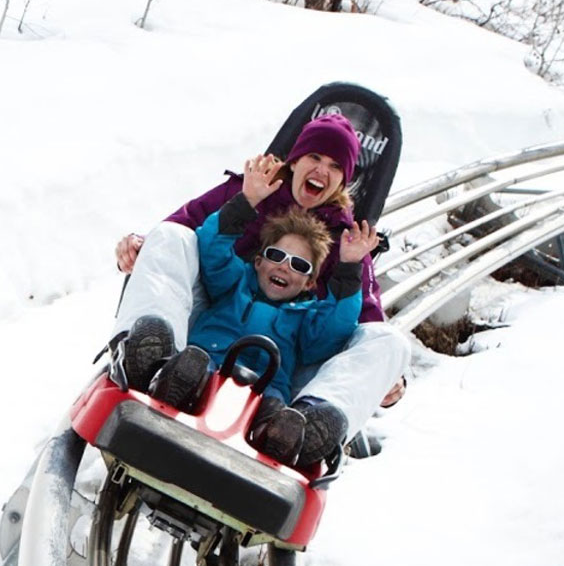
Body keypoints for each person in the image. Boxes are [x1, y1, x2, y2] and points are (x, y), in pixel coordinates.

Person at [108, 114, 411, 456]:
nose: (322, 171)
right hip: (207, 328)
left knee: (392, 342)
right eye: (315, 158)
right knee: (169, 236)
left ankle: (307, 427)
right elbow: (188, 230)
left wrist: (386, 374)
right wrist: (243, 203)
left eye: (335, 166)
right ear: (295, 160)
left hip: (280, 370)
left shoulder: (347, 243)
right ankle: (152, 355)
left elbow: (359, 322)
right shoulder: (250, 193)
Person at [119, 193, 378, 465]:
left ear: (309, 283)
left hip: (265, 391)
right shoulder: (235, 282)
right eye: (276, 255)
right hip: (208, 366)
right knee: (192, 365)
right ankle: (171, 384)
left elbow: (335, 328)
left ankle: (277, 437)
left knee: (276, 412)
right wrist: (243, 203)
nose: (283, 266)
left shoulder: (307, 316)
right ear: (258, 262)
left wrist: (349, 267)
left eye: (298, 265)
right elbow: (212, 249)